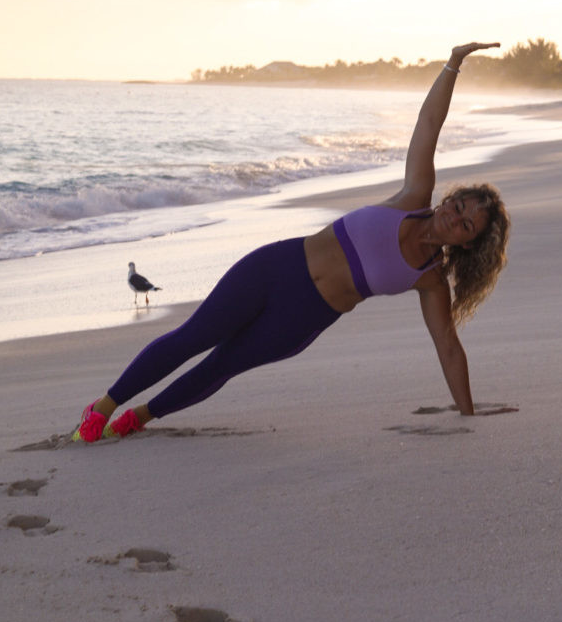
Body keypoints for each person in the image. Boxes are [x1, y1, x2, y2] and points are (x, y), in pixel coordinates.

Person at [75, 42, 512, 443]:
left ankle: (140, 417)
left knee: (222, 365)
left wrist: (468, 414)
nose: (458, 218)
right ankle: (103, 407)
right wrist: (453, 63)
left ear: (469, 244)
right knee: (194, 336)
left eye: (469, 225)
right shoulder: (412, 196)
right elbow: (428, 123)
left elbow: (448, 348)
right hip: (276, 268)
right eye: (461, 206)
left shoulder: (430, 280)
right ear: (450, 199)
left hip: (305, 316)